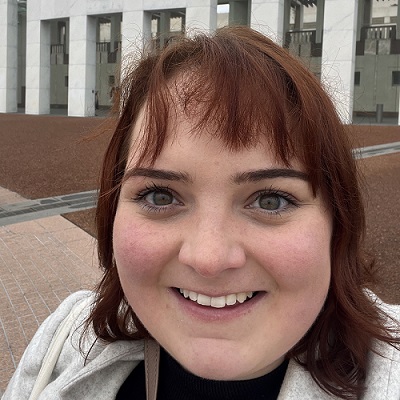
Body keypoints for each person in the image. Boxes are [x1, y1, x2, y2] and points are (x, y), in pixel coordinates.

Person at [3, 26, 400, 400]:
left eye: (270, 200)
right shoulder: (66, 337)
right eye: (160, 196)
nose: (208, 259)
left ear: (338, 224)